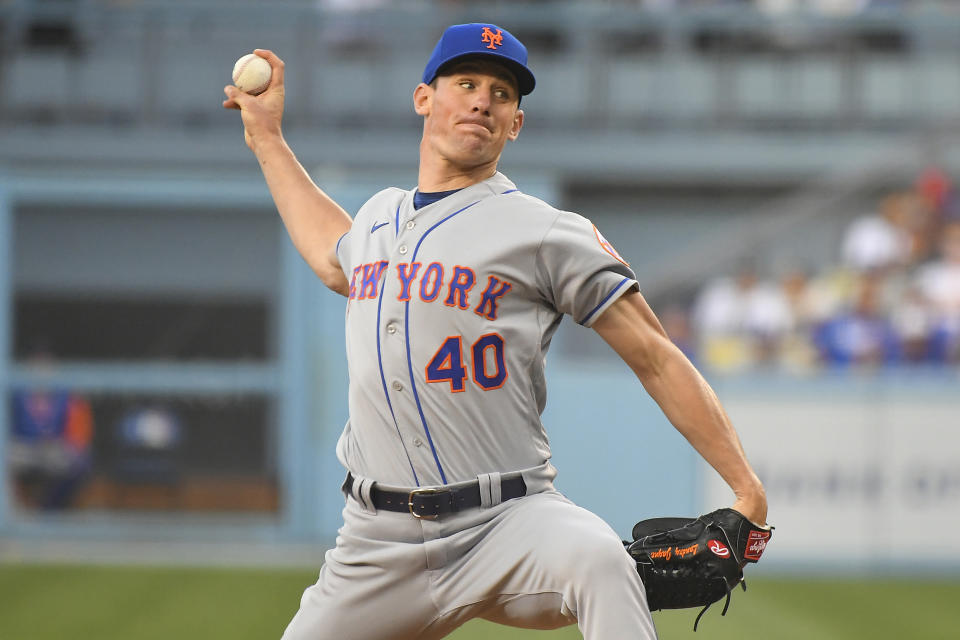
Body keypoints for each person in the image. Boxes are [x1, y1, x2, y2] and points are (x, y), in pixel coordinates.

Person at [224, 22, 768, 639]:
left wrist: (746, 488)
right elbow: (330, 255)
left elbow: (657, 357)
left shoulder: (543, 230)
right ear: (423, 97)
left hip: (508, 520)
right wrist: (265, 135)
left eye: (503, 93)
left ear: (515, 124)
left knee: (599, 559)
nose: (483, 99)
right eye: (465, 82)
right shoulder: (378, 217)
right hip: (377, 541)